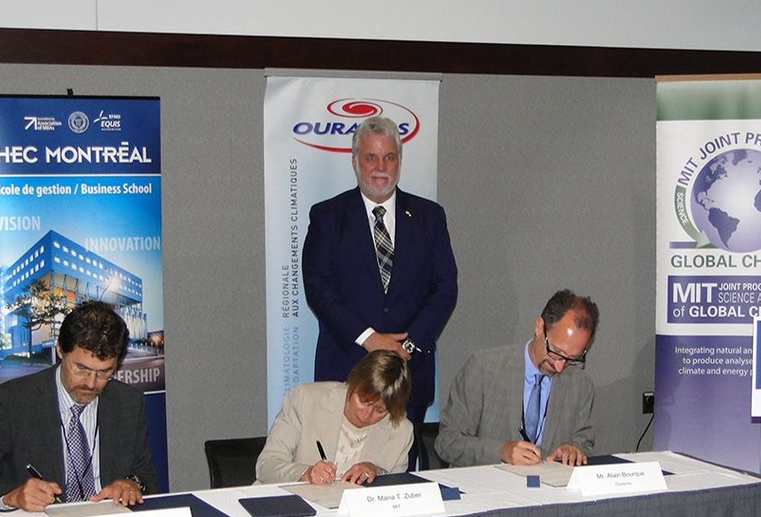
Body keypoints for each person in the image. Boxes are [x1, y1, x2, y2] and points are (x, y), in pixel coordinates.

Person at [302, 115, 458, 468]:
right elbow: (319, 288)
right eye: (371, 157)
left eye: (389, 157)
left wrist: (409, 344)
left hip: (408, 371)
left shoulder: (429, 217)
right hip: (345, 368)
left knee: (399, 470)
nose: (380, 167)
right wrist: (370, 338)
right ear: (355, 160)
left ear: (399, 161)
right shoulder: (327, 217)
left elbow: (445, 287)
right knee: (337, 471)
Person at [0, 300, 158, 512]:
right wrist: (13, 495)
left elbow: (146, 478)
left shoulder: (128, 403)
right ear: (60, 350)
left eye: (104, 372)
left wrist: (132, 484)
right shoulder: (13, 401)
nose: (91, 383)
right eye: (81, 369)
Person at [436, 289, 599, 467]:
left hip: (549, 492)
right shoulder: (483, 368)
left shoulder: (581, 385)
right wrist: (501, 452)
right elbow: (447, 442)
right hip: (488, 489)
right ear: (539, 327)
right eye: (556, 352)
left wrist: (573, 450)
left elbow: (584, 444)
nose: (560, 366)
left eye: (571, 358)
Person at [256, 350, 413, 485]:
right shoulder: (306, 399)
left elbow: (397, 487)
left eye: (380, 410)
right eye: (363, 402)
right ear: (353, 382)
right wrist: (306, 473)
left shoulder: (401, 431)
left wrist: (377, 472)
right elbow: (266, 466)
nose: (366, 415)